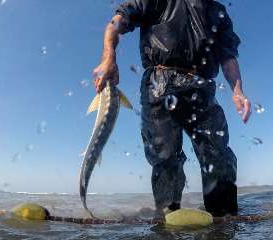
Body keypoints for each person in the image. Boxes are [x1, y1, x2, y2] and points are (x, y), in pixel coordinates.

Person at [92, 0, 251, 217]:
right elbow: (117, 21)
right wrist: (108, 56)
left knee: (218, 154)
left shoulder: (217, 10)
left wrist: (238, 91)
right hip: (160, 82)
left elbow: (228, 56)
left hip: (202, 87)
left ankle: (224, 222)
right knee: (166, 158)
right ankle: (168, 219)